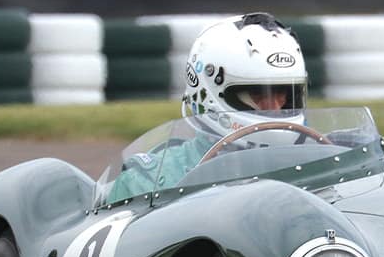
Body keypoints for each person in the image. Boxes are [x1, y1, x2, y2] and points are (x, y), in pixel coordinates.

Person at [106, 13, 308, 202]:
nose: (274, 108)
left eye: (283, 94)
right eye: (257, 95)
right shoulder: (147, 182)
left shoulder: (318, 164)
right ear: (209, 94)